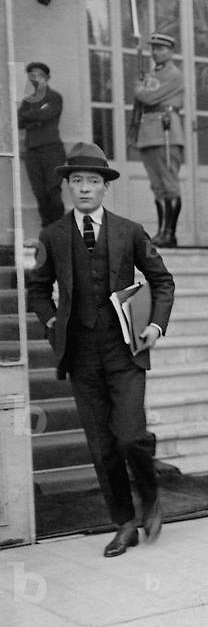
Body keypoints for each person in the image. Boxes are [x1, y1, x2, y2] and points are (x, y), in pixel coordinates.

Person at [26, 143, 175, 557]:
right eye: (77, 181)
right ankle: (124, 522)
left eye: (93, 181)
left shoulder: (129, 231)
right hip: (81, 355)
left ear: (105, 188)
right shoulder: (52, 236)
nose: (85, 188)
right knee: (101, 445)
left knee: (130, 437)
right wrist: (53, 321)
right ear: (67, 187)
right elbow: (37, 288)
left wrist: (156, 325)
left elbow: (162, 281)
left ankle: (150, 498)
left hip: (124, 351)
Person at [132, 33, 185, 248]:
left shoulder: (173, 74)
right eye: (153, 48)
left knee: (169, 184)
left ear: (171, 51)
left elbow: (147, 97)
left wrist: (138, 87)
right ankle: (162, 231)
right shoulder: (154, 74)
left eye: (161, 48)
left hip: (166, 131)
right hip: (149, 133)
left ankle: (170, 234)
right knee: (157, 185)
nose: (156, 52)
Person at [17, 61, 66, 226]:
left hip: (52, 150)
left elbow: (47, 115)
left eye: (39, 76)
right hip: (32, 151)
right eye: (31, 76)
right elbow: (18, 122)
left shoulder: (55, 97)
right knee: (39, 192)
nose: (35, 79)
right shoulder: (28, 100)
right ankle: (47, 230)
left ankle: (59, 229)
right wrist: (35, 116)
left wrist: (30, 116)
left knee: (53, 190)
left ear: (47, 78)